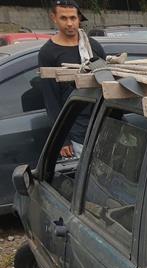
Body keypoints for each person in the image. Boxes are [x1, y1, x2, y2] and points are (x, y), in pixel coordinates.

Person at [39, 0, 106, 158]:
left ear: (79, 18)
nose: (69, 23)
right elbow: (51, 100)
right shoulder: (48, 53)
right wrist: (62, 139)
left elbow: (107, 83)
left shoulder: (93, 47)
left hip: (102, 125)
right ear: (54, 18)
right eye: (64, 18)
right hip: (76, 132)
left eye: (73, 18)